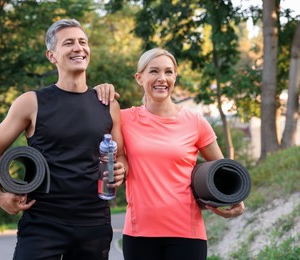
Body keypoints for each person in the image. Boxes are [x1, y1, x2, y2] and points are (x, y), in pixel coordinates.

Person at [0, 18, 127, 260]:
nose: (78, 48)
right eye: (68, 43)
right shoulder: (30, 102)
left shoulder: (108, 105)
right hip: (42, 223)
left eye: (83, 42)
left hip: (93, 223)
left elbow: (121, 156)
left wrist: (121, 170)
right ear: (51, 56)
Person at [95, 48, 245, 260]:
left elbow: (224, 171)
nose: (162, 78)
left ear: (175, 77)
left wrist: (236, 199)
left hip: (187, 234)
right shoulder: (124, 118)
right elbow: (90, 112)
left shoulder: (195, 121)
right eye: (154, 71)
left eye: (168, 72)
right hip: (139, 234)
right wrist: (101, 89)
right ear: (139, 78)